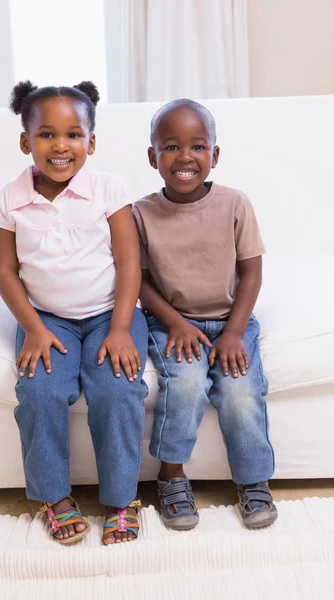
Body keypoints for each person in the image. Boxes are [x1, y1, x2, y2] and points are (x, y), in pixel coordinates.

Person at [0, 80, 148, 545]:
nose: (61, 146)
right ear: (26, 141)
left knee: (117, 391)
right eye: (46, 135)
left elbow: (129, 262)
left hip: (108, 314)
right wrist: (34, 329)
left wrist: (121, 327)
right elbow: (4, 271)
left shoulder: (108, 189)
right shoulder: (9, 200)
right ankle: (55, 497)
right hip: (47, 319)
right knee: (39, 392)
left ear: (91, 142)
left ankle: (122, 500)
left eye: (74, 135)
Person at [132, 99, 277, 531]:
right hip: (173, 323)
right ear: (153, 156)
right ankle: (171, 475)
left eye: (197, 146)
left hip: (232, 320)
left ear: (214, 155)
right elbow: (137, 281)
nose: (185, 157)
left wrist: (233, 334)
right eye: (171, 146)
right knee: (189, 383)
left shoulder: (234, 204)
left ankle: (254, 480)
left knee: (240, 391)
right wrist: (176, 323)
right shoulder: (140, 213)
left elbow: (251, 273)